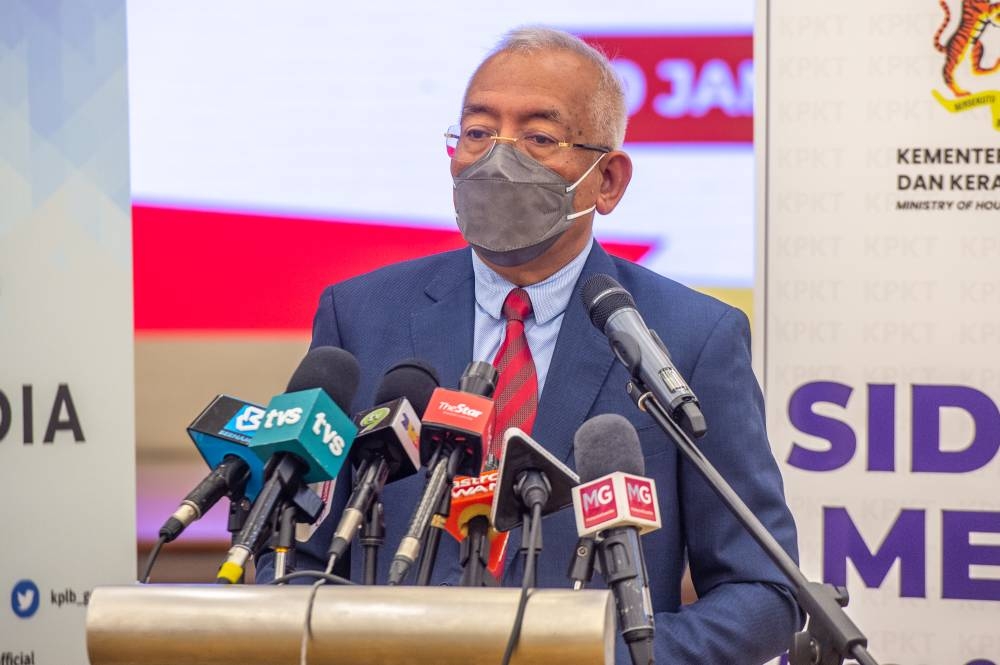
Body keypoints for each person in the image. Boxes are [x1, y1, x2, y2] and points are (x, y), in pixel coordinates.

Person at [260, 26, 801, 664]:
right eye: (478, 132)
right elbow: (298, 550)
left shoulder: (688, 337)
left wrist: (609, 658)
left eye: (539, 138)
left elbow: (764, 592)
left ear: (608, 182)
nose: (497, 158)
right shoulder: (361, 315)